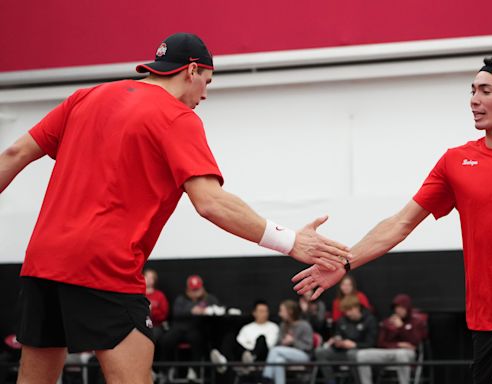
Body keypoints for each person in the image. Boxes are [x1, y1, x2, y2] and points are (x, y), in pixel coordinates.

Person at [0, 32, 351, 384]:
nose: (205, 94)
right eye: (206, 82)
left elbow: (14, 154)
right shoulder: (176, 117)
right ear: (192, 70)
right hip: (104, 265)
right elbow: (211, 203)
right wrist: (290, 241)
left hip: (42, 261)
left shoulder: (86, 97)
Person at [293, 57, 492, 384]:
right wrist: (344, 263)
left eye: (485, 91)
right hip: (484, 318)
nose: (474, 100)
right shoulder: (456, 162)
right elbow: (401, 224)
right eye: (472, 90)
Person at [356, 294, 426, 384]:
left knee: (402, 354)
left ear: (407, 308)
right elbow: (380, 343)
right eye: (396, 308)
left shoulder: (416, 322)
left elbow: (415, 341)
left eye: (401, 308)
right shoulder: (388, 322)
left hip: (406, 353)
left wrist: (401, 327)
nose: (398, 310)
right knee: (361, 355)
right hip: (388, 352)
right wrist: (397, 344)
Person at [315, 295, 378, 384]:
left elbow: (372, 343)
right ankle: (331, 381)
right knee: (320, 352)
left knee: (352, 354)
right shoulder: (342, 321)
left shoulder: (370, 320)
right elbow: (337, 335)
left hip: (361, 352)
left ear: (357, 308)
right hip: (342, 352)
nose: (348, 313)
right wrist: (336, 342)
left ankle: (358, 382)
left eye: (350, 310)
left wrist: (355, 345)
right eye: (346, 311)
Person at [210, 299, 279, 374]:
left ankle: (251, 360)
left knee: (261, 338)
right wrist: (246, 352)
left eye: (266, 311)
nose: (264, 314)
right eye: (261, 311)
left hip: (261, 355)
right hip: (244, 354)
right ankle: (222, 362)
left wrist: (251, 349)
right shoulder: (247, 327)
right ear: (254, 313)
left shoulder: (273, 327)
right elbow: (240, 341)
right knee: (230, 337)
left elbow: (270, 344)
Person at [262, 300, 313, 384]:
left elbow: (308, 347)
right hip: (285, 355)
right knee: (278, 361)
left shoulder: (304, 325)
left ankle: (266, 378)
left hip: (303, 355)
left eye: (281, 311)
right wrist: (283, 342)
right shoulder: (283, 325)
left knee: (275, 350)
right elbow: (278, 344)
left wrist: (293, 341)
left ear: (290, 312)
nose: (279, 313)